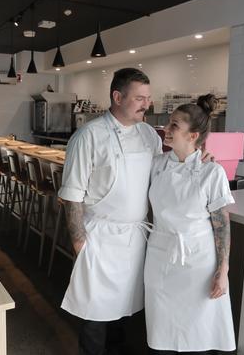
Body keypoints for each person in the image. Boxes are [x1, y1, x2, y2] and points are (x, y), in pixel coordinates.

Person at [58, 68, 161, 354]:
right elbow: (72, 196)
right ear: (117, 96)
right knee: (95, 313)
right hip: (99, 238)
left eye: (148, 98)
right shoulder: (88, 136)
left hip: (135, 237)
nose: (147, 104)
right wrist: (80, 244)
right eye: (139, 98)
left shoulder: (150, 135)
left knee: (125, 308)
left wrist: (198, 160)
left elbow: (162, 176)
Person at [144, 96, 236, 354]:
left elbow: (222, 225)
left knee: (198, 330)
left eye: (174, 125)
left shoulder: (211, 172)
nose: (166, 129)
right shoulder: (157, 165)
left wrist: (223, 270)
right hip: (160, 255)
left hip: (197, 261)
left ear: (193, 135)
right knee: (161, 328)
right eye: (169, 123)